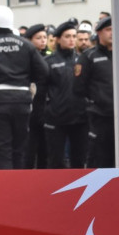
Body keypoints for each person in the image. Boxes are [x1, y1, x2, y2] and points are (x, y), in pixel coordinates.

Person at [0, 6, 48, 169]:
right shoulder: (26, 45)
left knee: (1, 151)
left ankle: (5, 191)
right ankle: (18, 190)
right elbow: (44, 71)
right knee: (20, 150)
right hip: (22, 103)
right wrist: (26, 81)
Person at [44, 20, 88, 168]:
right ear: (58, 39)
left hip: (80, 117)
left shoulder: (82, 59)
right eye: (67, 36)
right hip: (56, 118)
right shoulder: (48, 62)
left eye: (74, 36)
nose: (71, 40)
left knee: (79, 159)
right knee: (55, 159)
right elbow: (41, 90)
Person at [76, 16, 116, 168]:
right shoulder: (89, 56)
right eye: (108, 30)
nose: (112, 33)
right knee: (99, 157)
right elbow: (79, 87)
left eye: (115, 29)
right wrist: (94, 103)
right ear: (99, 33)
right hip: (99, 116)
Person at [23, 24, 50, 168]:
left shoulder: (50, 57)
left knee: (45, 149)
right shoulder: (26, 58)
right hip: (32, 105)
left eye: (45, 37)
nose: (43, 41)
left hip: (46, 106)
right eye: (38, 38)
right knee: (30, 147)